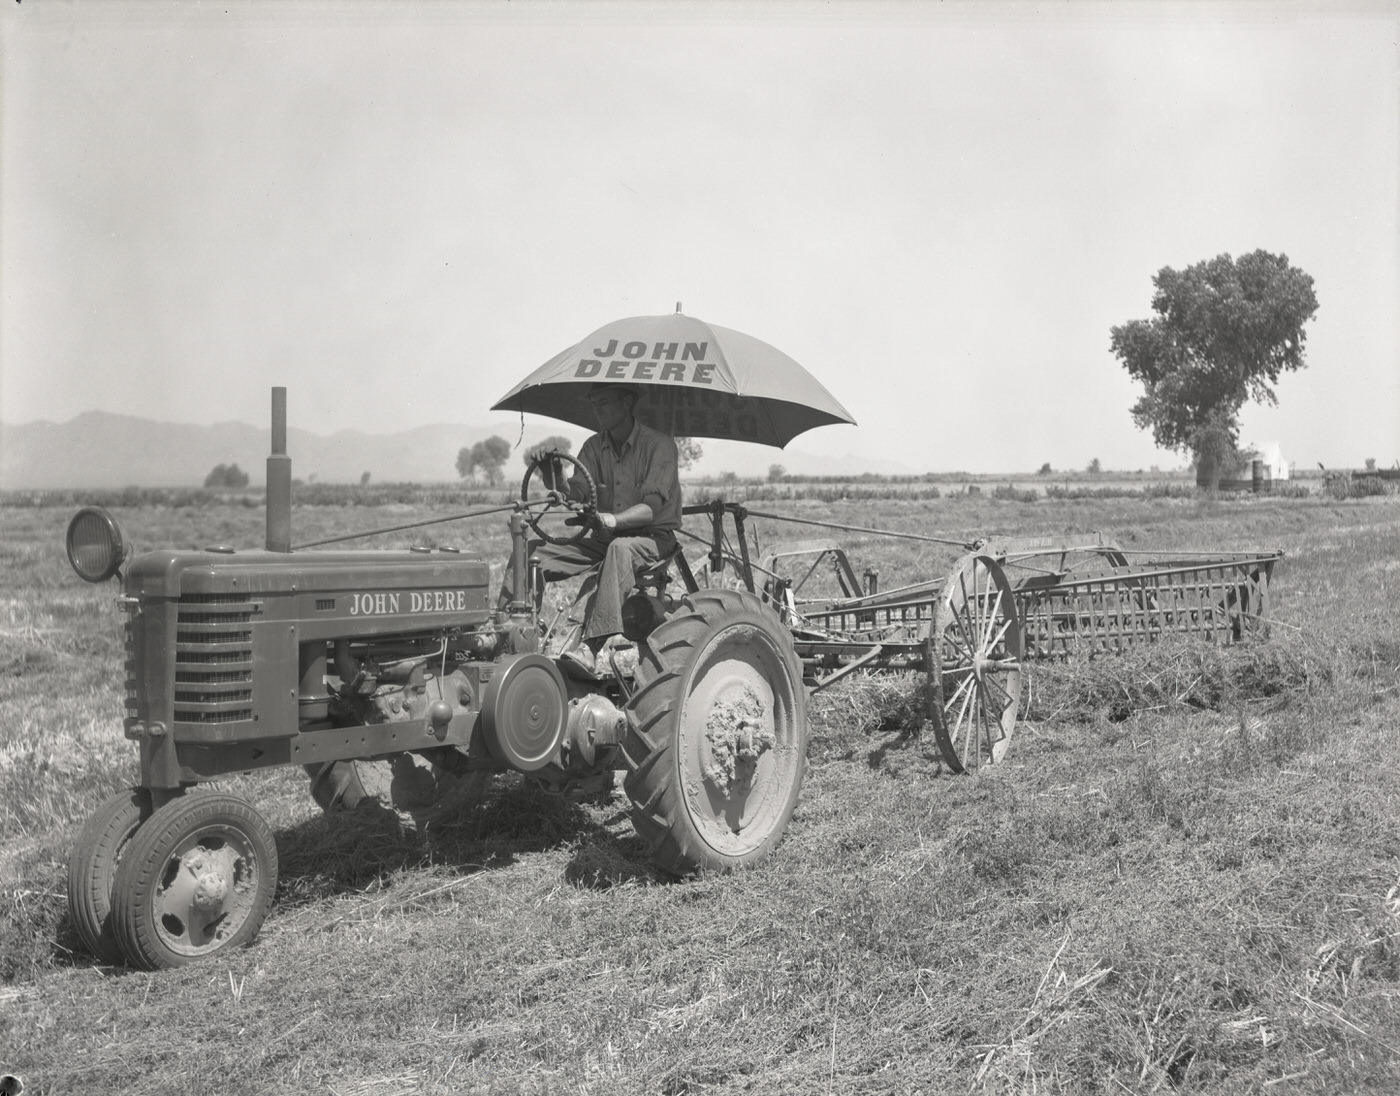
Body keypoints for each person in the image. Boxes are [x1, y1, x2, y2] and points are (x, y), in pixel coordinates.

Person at [499, 382, 682, 676]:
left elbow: (651, 509)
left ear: (626, 404)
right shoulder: (594, 447)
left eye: (604, 403)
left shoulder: (659, 446)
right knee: (531, 554)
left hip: (652, 540)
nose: (597, 410)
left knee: (618, 549)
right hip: (603, 537)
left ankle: (589, 648)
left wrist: (612, 519)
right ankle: (510, 637)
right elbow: (575, 495)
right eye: (594, 404)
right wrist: (552, 471)